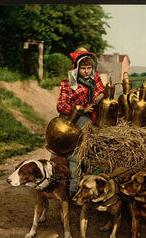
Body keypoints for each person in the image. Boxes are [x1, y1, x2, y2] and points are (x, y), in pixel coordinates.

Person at [54, 48, 105, 193]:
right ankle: (56, 185)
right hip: (69, 119)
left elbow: (102, 90)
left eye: (89, 68)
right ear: (77, 68)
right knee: (60, 150)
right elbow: (61, 105)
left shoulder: (95, 80)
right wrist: (81, 109)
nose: (87, 71)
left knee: (79, 153)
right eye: (83, 68)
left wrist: (100, 95)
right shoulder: (69, 83)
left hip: (87, 119)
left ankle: (74, 189)